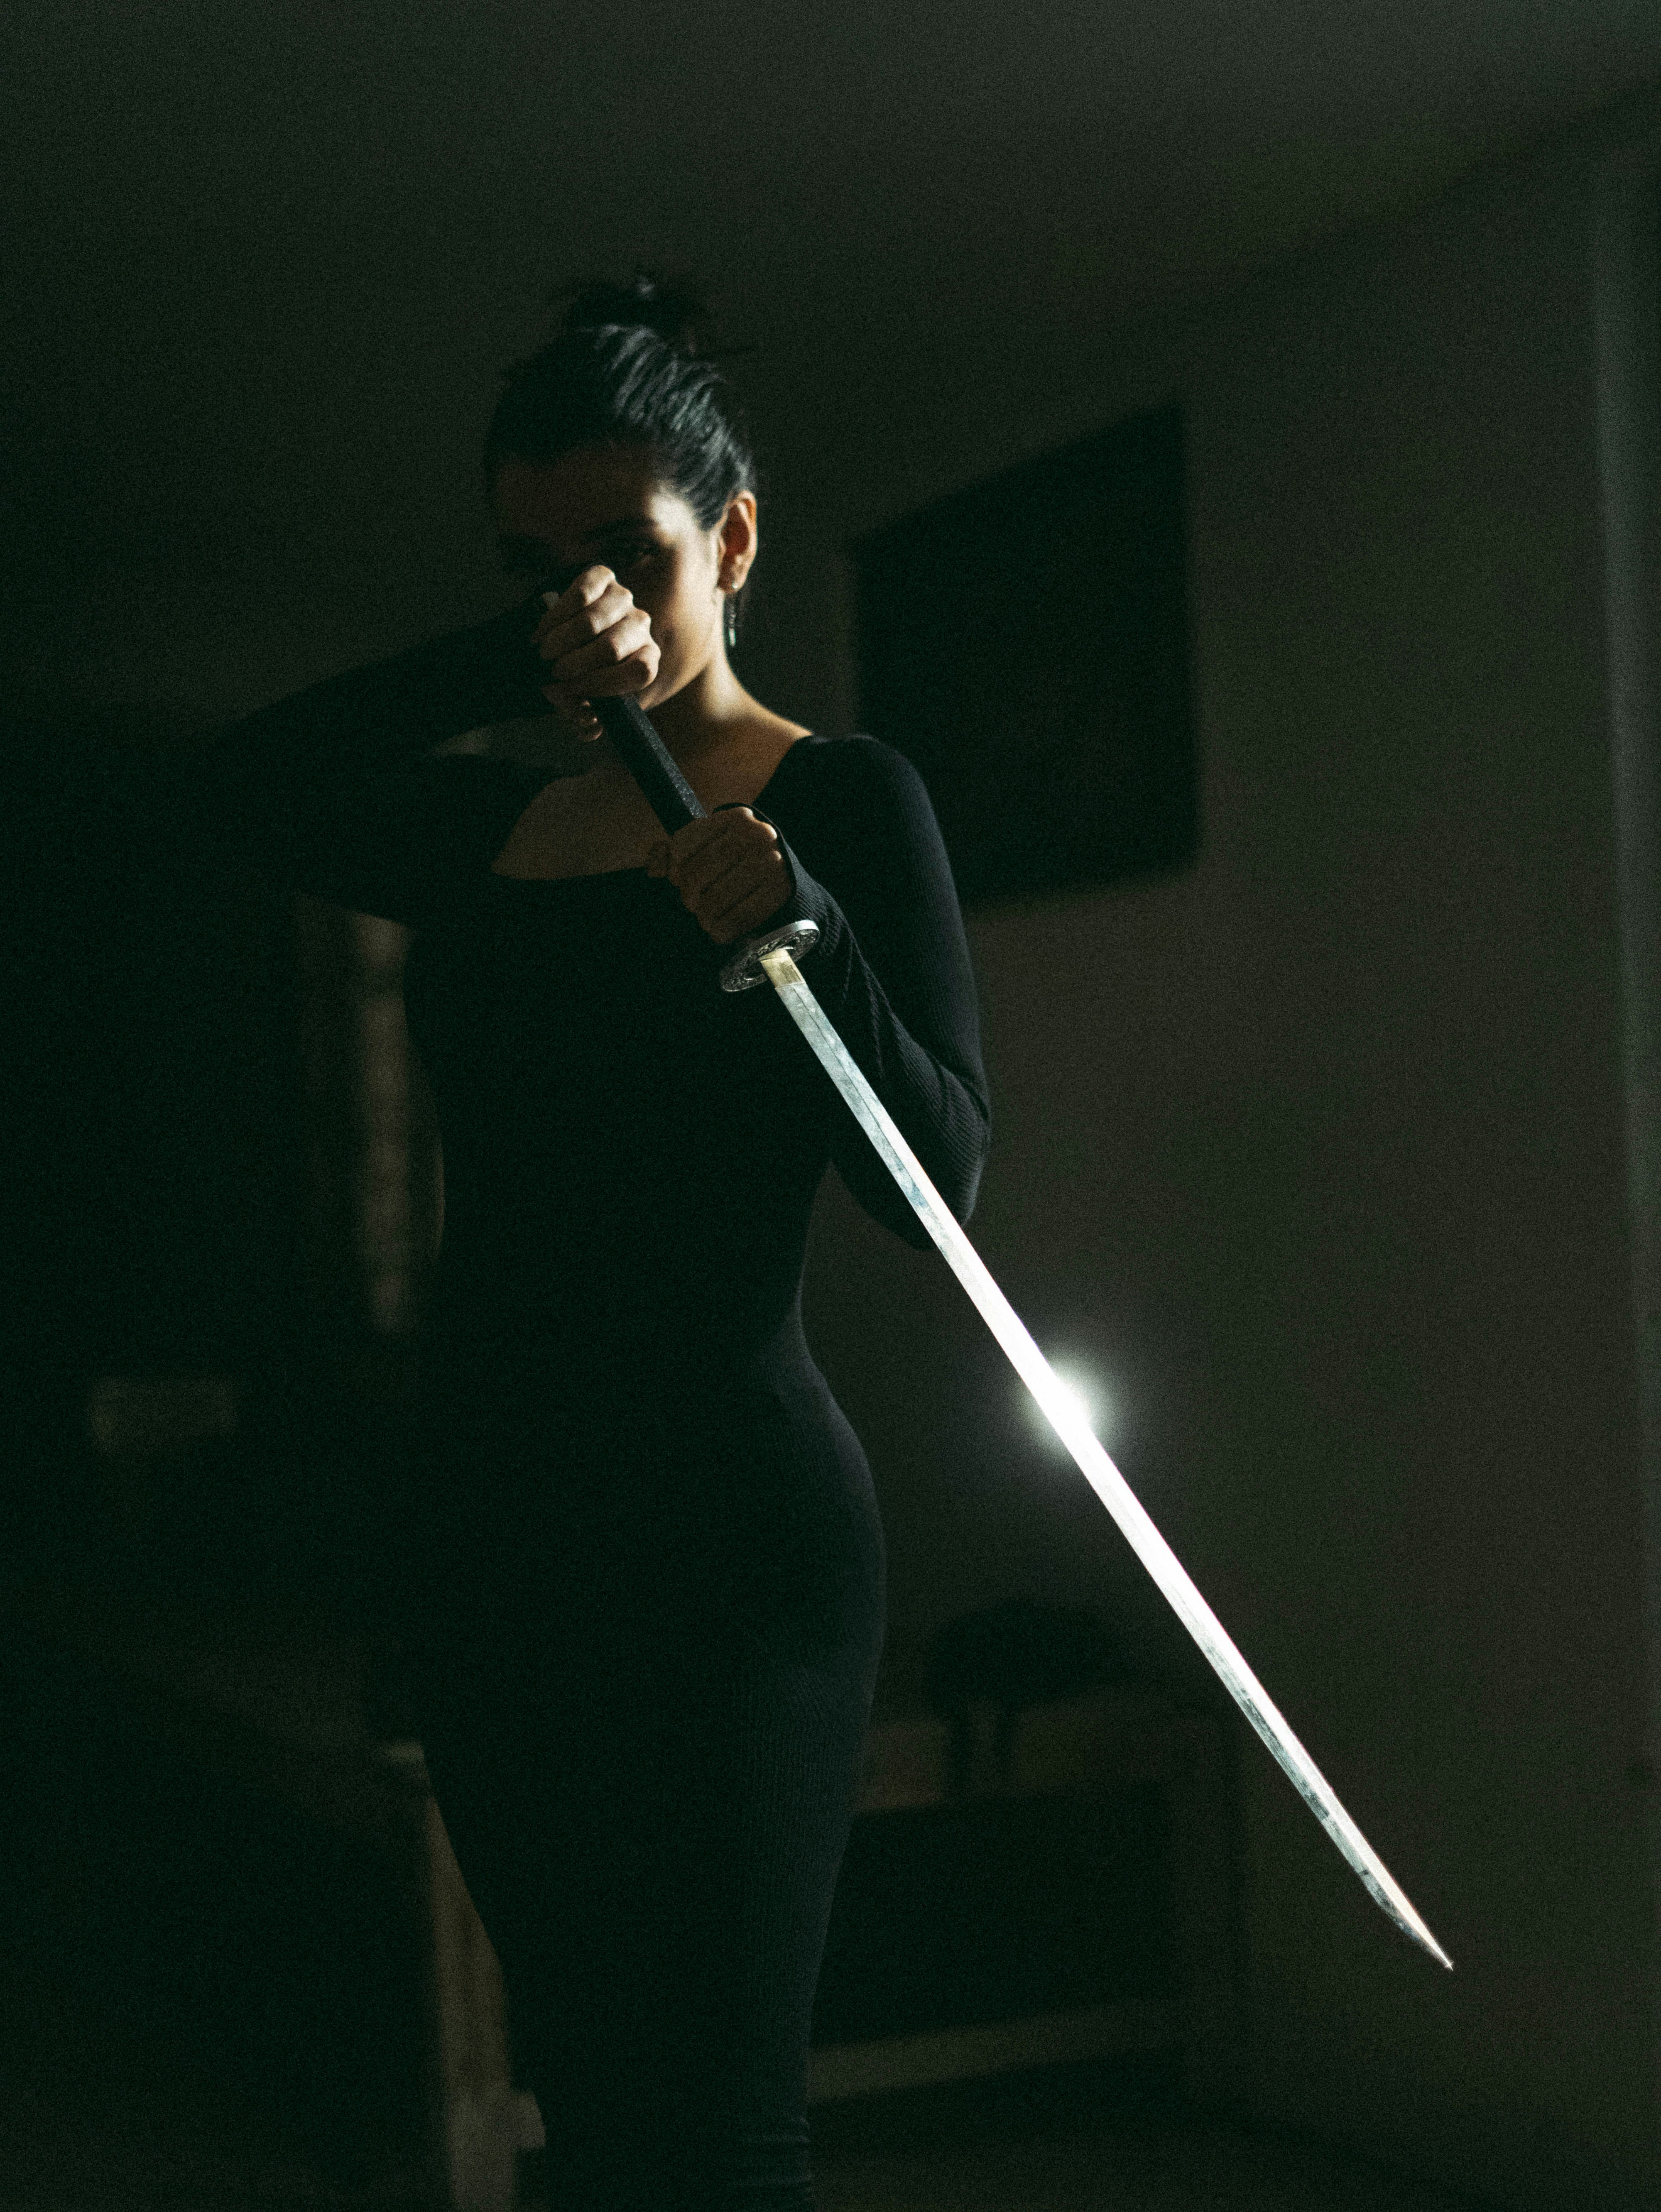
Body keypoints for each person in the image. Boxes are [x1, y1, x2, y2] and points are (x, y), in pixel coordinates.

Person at [194, 274, 990, 2210]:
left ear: (729, 539)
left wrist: (799, 937)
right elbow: (237, 792)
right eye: (527, 571)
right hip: (493, 1543)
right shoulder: (494, 835)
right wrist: (505, 652)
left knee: (716, 2136)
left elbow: (933, 1188)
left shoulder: (845, 800)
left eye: (620, 556)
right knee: (593, 2119)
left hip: (730, 1553)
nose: (582, 610)